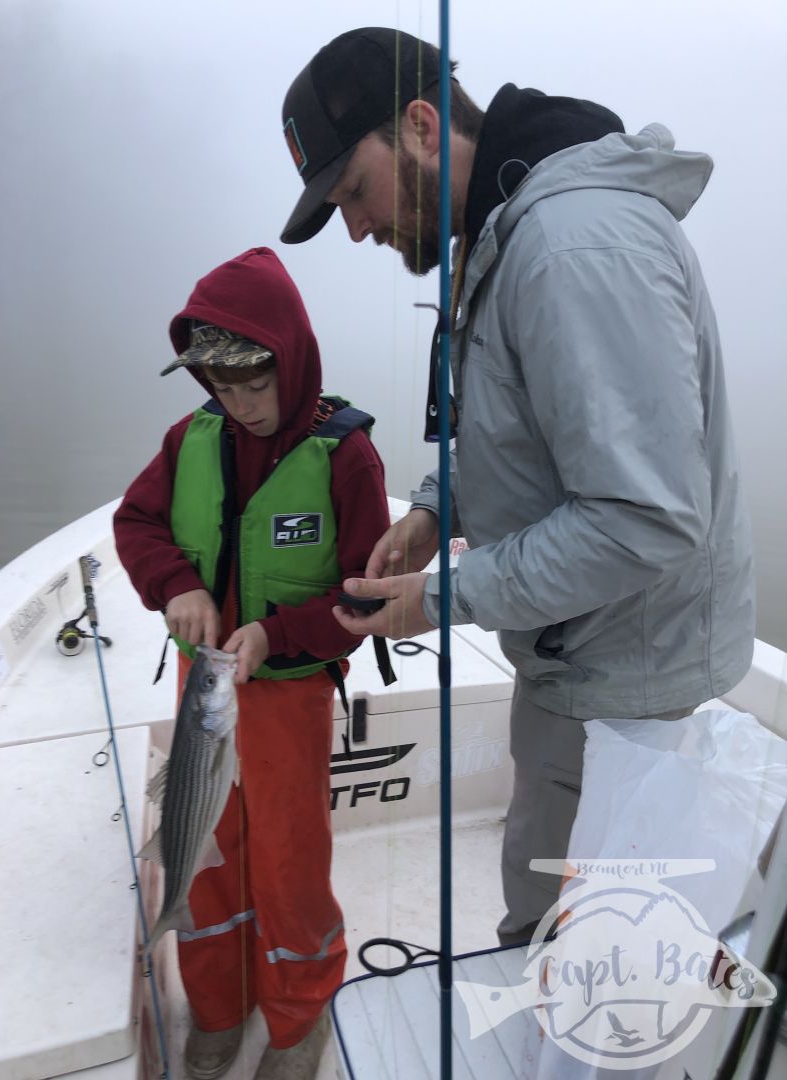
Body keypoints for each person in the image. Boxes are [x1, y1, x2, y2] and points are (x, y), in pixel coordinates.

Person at [279, 28, 756, 944]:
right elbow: (529, 434)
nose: (357, 226)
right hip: (584, 657)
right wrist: (433, 510)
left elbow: (642, 518)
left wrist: (440, 597)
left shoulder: (570, 249)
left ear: (420, 125)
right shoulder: (509, 230)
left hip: (622, 683)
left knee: (578, 948)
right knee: (554, 924)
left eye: (353, 192)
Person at [113, 247, 390, 1079]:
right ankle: (219, 1009)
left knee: (288, 862)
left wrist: (276, 634)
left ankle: (299, 1019)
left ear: (292, 357)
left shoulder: (348, 457)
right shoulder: (189, 439)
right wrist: (174, 590)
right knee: (205, 861)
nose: (240, 406)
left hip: (286, 694)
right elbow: (138, 524)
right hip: (206, 688)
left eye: (254, 386)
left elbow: (367, 599)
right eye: (222, 390)